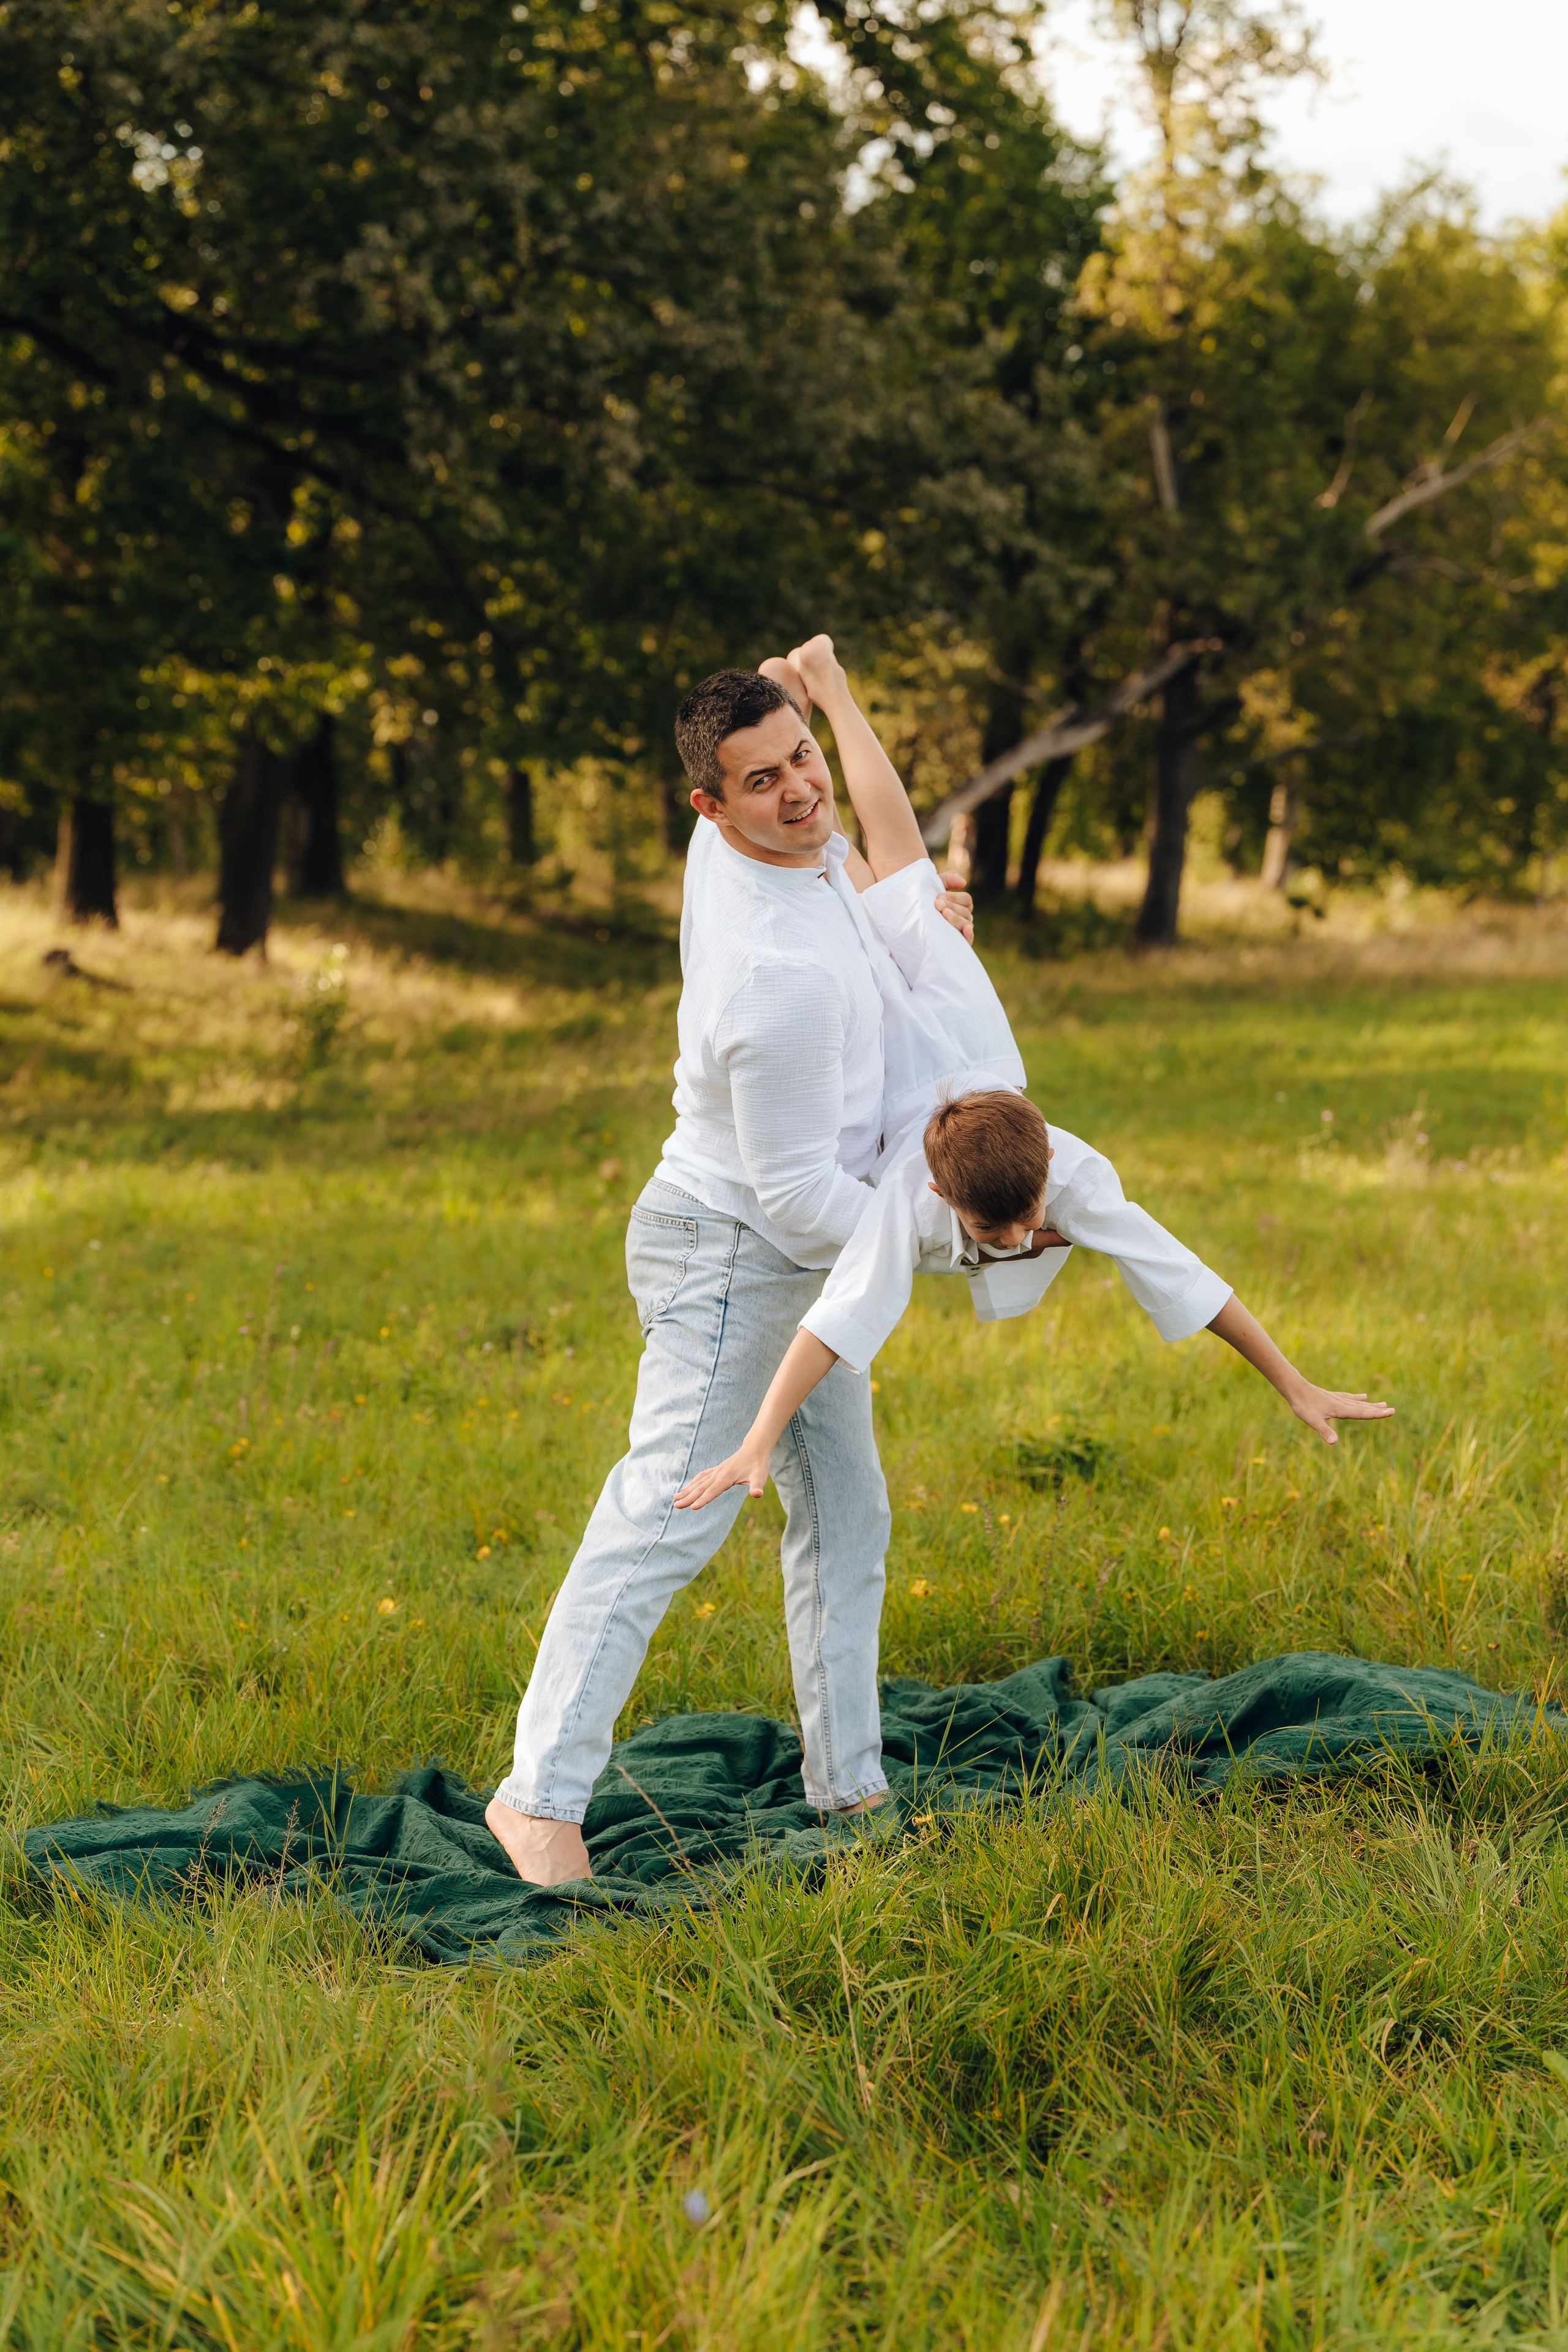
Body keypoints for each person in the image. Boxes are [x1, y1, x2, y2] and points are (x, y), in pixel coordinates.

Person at [673, 638, 1394, 1517]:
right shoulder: (909, 1196)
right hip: (911, 1047)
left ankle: (807, 688)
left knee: (895, 882)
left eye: (1013, 1225)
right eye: (996, 1232)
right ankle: (815, 686)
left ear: (1047, 1160)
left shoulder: (1066, 1167)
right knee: (895, 875)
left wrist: (1294, 1381)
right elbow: (837, 1321)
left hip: (954, 1037)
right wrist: (756, 1439)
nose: (1019, 1239)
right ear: (940, 1192)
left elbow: (1180, 1271)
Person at [484, 639, 981, 1885]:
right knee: (667, 1511)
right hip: (733, 1254)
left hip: (793, 1252)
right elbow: (802, 1202)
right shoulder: (776, 982)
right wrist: (957, 1238)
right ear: (709, 807)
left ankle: (850, 1786)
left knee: (848, 1514)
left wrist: (909, 914)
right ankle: (535, 1799)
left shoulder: (777, 846)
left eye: (802, 758)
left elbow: (867, 851)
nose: (800, 789)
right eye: (763, 781)